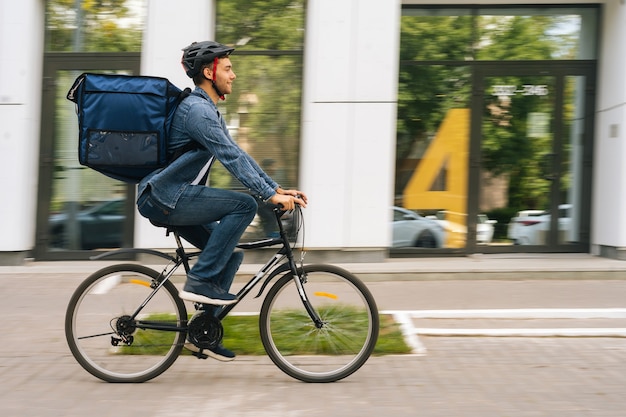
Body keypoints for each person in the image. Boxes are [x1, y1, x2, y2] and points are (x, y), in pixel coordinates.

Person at [136, 40, 307, 360]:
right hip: (164, 196)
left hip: (172, 197)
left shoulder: (205, 110)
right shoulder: (197, 111)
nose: (234, 75)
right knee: (242, 205)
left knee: (231, 257)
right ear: (208, 71)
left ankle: (203, 333)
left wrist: (277, 189)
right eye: (228, 69)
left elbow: (239, 155)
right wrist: (265, 194)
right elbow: (229, 157)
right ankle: (200, 281)